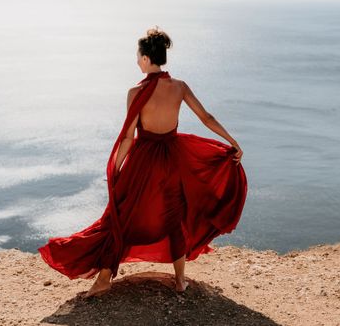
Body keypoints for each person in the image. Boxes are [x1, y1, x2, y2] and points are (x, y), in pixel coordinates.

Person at [37, 26, 247, 298]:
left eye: (138, 56)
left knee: (122, 216)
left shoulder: (136, 92)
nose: (137, 60)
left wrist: (115, 168)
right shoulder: (179, 87)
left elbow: (127, 137)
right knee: (174, 217)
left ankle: (103, 279)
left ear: (147, 58)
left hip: (144, 161)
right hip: (173, 158)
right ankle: (180, 280)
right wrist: (233, 142)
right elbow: (207, 118)